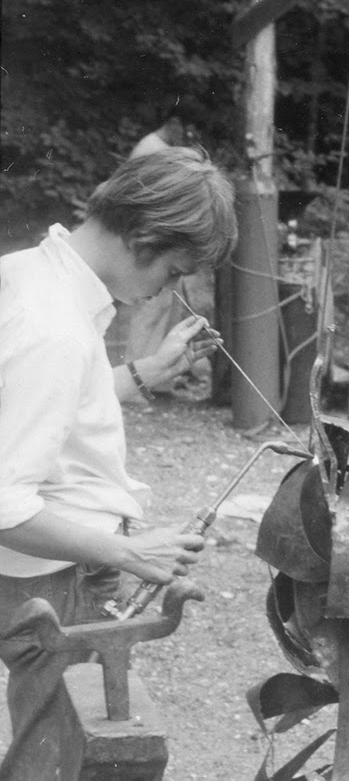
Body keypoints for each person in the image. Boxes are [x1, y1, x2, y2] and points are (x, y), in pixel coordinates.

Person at [0, 146, 237, 779]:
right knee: (56, 758)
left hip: (50, 570)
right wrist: (134, 554)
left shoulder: (25, 273)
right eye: (174, 270)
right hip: (54, 579)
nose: (170, 289)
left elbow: (43, 405)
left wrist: (142, 374)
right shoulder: (54, 328)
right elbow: (3, 504)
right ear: (145, 237)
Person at [124, 96, 213, 390]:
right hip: (150, 243)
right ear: (174, 122)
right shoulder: (150, 151)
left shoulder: (166, 151)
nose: (189, 139)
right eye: (187, 131)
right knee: (148, 312)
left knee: (167, 311)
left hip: (165, 243)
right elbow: (139, 202)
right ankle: (135, 379)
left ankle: (159, 381)